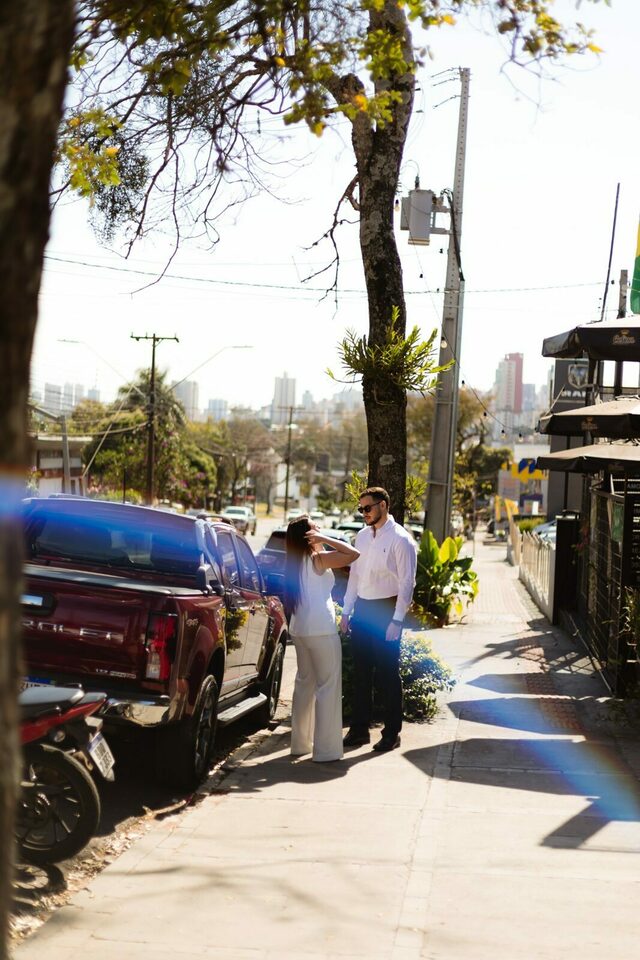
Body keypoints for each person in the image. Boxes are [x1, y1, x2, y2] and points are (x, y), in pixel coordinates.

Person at [340, 487, 418, 753]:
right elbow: (355, 576)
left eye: (368, 508)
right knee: (361, 674)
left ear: (383, 505)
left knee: (387, 674)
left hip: (387, 611)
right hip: (362, 608)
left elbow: (407, 584)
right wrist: (346, 611)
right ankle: (359, 730)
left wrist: (397, 620)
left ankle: (391, 733)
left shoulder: (401, 539)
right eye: (361, 509)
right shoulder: (361, 537)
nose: (364, 513)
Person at [285, 515, 360, 762]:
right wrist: (325, 539)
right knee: (328, 686)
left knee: (304, 683)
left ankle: (300, 744)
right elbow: (352, 553)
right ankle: (326, 751)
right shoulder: (318, 559)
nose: (320, 529)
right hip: (320, 629)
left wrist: (319, 539)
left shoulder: (295, 561)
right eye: (316, 528)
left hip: (299, 628)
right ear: (308, 536)